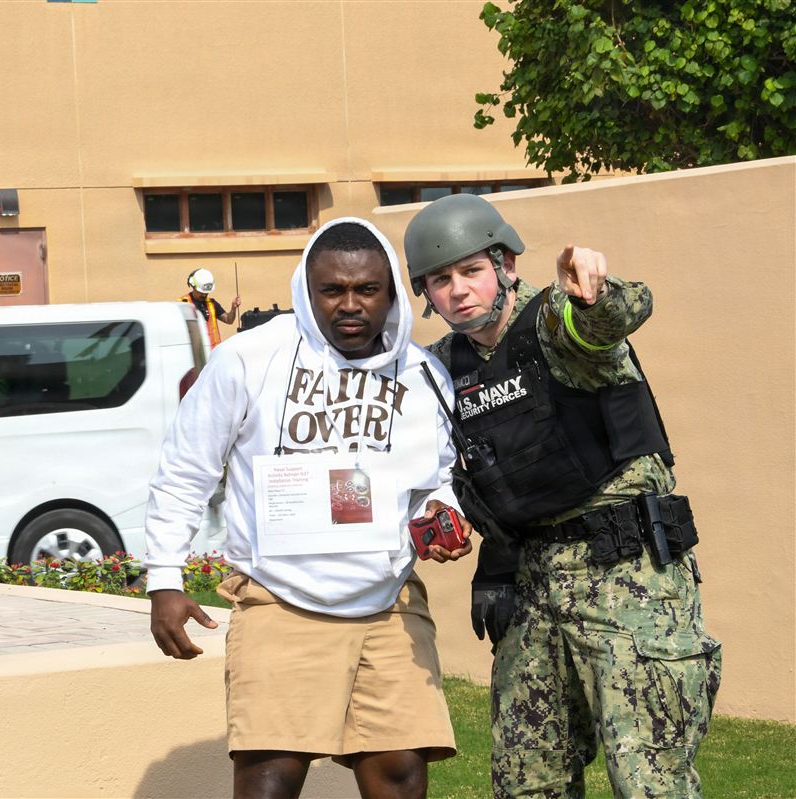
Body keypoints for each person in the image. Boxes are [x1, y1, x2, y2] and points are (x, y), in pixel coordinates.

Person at [402, 193, 720, 798]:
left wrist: (592, 294)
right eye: (440, 280)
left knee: (649, 781)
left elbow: (605, 322)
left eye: (471, 270)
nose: (458, 290)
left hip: (630, 584)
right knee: (526, 784)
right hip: (532, 592)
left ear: (506, 267)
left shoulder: (555, 324)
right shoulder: (441, 369)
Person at [146, 217, 473, 799]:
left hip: (387, 602)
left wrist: (438, 515)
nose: (350, 306)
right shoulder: (248, 360)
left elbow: (436, 479)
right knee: (269, 780)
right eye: (332, 290)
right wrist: (165, 580)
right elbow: (184, 473)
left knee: (400, 774)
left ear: (391, 290)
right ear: (306, 288)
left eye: (367, 290)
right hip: (280, 598)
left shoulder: (423, 375)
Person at [179, 267, 241, 347]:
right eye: (201, 292)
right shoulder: (182, 304)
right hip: (196, 355)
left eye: (206, 293)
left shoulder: (212, 303)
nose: (204, 295)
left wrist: (233, 308)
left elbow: (228, 320)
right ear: (193, 287)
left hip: (213, 353)